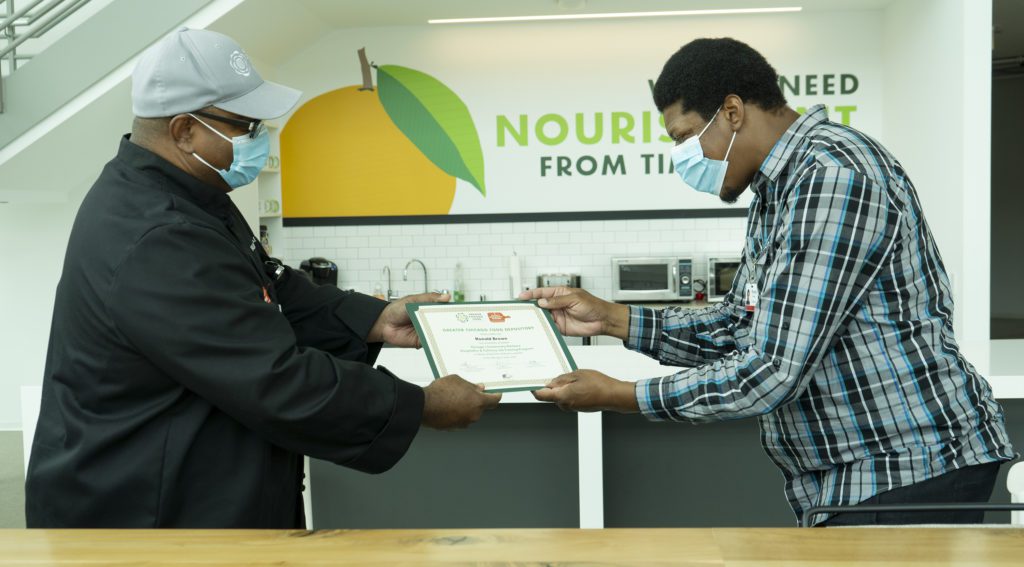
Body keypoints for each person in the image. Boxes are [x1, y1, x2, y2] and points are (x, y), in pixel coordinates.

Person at [521, 38, 1015, 526]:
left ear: (732, 112)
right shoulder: (778, 189)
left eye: (684, 136)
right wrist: (613, 319)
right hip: (863, 473)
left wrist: (623, 395)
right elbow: (741, 324)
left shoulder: (833, 176)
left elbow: (773, 369)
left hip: (908, 466)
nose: (682, 156)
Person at [25, 27, 500, 529]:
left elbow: (270, 287)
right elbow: (275, 380)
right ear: (184, 130)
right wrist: (420, 405)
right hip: (145, 510)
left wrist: (374, 319)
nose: (258, 137)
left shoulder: (186, 195)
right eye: (244, 124)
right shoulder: (158, 234)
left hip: (190, 485)